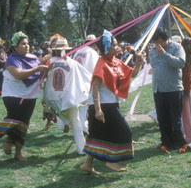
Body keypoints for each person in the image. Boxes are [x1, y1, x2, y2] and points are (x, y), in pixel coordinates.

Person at [80, 30, 143, 174]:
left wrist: (138, 63)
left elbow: (131, 74)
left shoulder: (116, 62)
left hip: (111, 104)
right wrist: (97, 110)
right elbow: (94, 88)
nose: (118, 47)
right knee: (124, 131)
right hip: (103, 106)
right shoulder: (101, 64)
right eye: (114, 45)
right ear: (107, 48)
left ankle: (87, 164)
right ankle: (112, 162)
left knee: (98, 135)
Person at [0, 31, 49, 162]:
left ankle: (18, 152)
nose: (27, 46)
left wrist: (46, 71)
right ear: (15, 47)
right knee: (14, 119)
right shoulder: (11, 59)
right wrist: (37, 69)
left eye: (27, 43)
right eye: (23, 44)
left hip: (30, 95)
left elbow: (40, 76)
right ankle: (8, 138)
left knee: (24, 123)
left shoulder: (34, 59)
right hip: (12, 94)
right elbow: (18, 75)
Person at [43, 37, 92, 155]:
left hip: (52, 97)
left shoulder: (50, 62)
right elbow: (87, 76)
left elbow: (45, 78)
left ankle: (64, 123)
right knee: (75, 121)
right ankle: (82, 148)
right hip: (67, 98)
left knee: (63, 113)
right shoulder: (72, 63)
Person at [148, 28, 187, 153]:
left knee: (175, 118)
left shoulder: (176, 47)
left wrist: (164, 54)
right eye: (155, 42)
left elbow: (181, 63)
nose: (158, 44)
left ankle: (179, 142)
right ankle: (166, 142)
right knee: (162, 118)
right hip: (158, 89)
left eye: (160, 41)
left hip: (173, 88)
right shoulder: (152, 51)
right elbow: (153, 65)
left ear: (166, 38)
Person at [73, 34, 100, 135]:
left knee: (81, 106)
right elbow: (94, 69)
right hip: (87, 82)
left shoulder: (78, 51)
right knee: (86, 105)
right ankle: (83, 127)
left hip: (77, 82)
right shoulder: (92, 52)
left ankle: (82, 125)